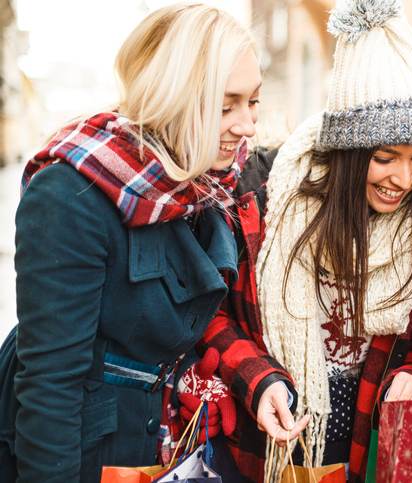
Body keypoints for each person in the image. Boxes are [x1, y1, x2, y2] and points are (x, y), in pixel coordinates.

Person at [184, 0, 412, 481]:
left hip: (366, 445)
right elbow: (212, 315)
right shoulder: (263, 204)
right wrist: (259, 380)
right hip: (266, 445)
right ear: (348, 153)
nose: (404, 177)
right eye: (385, 157)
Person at [0, 4, 262, 482]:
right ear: (174, 96)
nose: (246, 125)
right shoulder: (70, 194)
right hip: (87, 456)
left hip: (168, 447)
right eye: (226, 106)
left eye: (253, 102)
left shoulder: (204, 184)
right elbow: (49, 387)